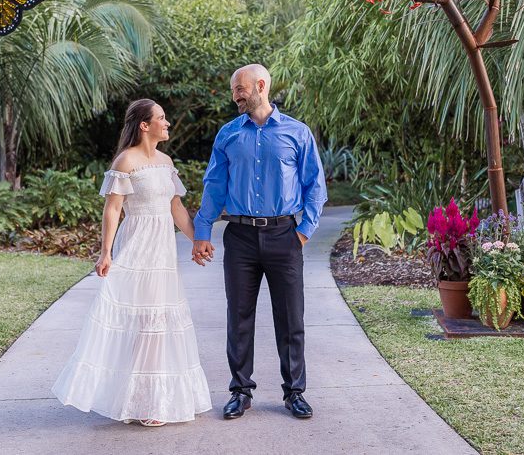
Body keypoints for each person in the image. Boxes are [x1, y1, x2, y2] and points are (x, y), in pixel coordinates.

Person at [52, 99, 212, 426]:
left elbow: (176, 208)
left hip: (163, 250)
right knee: (141, 322)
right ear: (144, 125)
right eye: (162, 119)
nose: (167, 124)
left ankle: (150, 399)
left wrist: (197, 239)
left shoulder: (166, 161)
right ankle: (140, 401)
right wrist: (106, 252)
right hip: (138, 244)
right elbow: (112, 209)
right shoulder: (126, 161)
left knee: (159, 321)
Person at [191, 64, 327, 420]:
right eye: (234, 89)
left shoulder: (297, 133)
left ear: (260, 86)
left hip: (285, 235)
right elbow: (214, 185)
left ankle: (294, 392)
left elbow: (315, 187)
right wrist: (202, 230)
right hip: (240, 238)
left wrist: (302, 232)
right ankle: (239, 392)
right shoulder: (228, 135)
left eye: (239, 88)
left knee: (290, 317)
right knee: (238, 317)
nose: (235, 94)